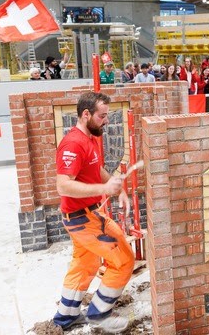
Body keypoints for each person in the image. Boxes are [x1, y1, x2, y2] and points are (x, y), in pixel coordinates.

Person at [53, 91, 134, 333]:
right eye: (102, 116)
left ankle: (65, 317)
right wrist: (104, 188)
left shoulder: (89, 138)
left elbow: (95, 168)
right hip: (82, 218)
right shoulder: (73, 143)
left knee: (84, 264)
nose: (105, 120)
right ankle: (99, 314)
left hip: (84, 215)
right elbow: (63, 185)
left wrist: (114, 188)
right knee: (123, 260)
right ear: (86, 114)